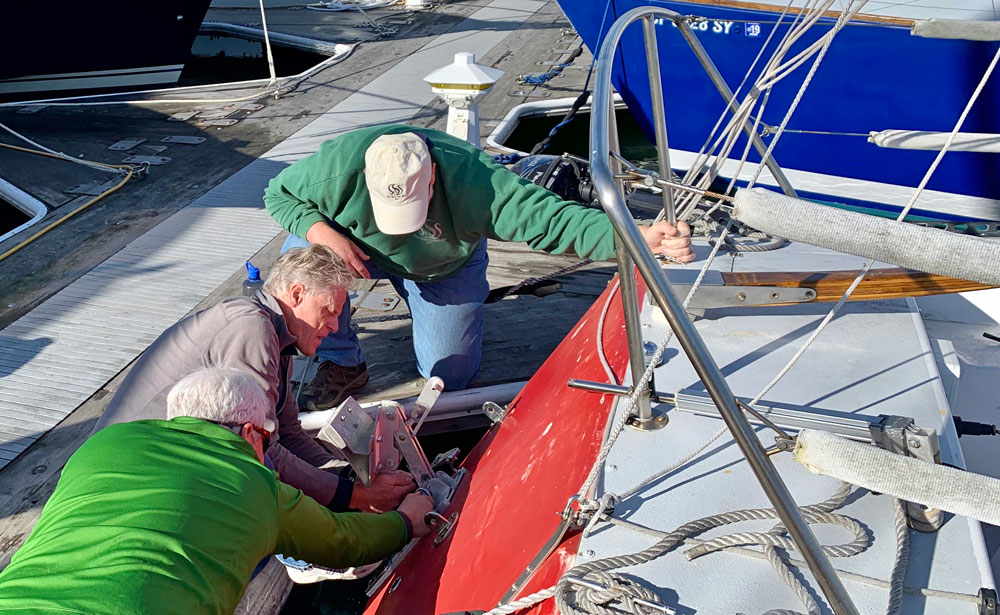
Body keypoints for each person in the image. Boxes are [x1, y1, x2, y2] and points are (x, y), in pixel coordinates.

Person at [264, 124, 695, 410]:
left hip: (441, 267)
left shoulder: (480, 184)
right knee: (301, 253)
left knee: (449, 377)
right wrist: (323, 233)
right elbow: (278, 195)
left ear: (432, 178)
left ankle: (441, 313)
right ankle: (342, 360)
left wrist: (636, 235)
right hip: (354, 253)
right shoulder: (335, 166)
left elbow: (557, 221)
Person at [0, 367, 434, 615]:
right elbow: (343, 542)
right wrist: (406, 521)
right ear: (250, 432)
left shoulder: (102, 444)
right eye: (266, 438)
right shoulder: (257, 486)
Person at [94, 244, 414, 513]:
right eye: (328, 311)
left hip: (170, 464)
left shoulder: (278, 336)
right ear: (297, 294)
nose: (333, 326)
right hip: (126, 483)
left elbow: (288, 433)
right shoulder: (251, 329)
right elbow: (262, 452)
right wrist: (354, 497)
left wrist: (350, 480)